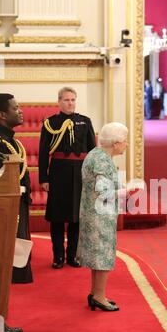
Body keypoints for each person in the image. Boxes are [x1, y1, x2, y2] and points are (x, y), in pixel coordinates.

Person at [39, 87, 96, 269]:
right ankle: (58, 256)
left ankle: (73, 255)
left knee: (76, 216)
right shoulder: (50, 123)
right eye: (66, 100)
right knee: (57, 216)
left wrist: (92, 176)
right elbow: (42, 153)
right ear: (59, 102)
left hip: (80, 172)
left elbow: (92, 151)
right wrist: (43, 178)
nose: (70, 103)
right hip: (58, 172)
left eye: (73, 100)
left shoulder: (84, 121)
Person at [77, 122, 128, 311]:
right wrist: (124, 192)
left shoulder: (96, 154)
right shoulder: (103, 160)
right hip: (100, 216)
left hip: (93, 213)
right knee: (103, 256)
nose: (126, 145)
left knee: (98, 257)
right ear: (115, 143)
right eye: (124, 141)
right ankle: (99, 296)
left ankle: (96, 293)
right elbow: (103, 192)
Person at [0, 93, 32, 332]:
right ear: (1, 115)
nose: (20, 112)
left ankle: (1, 324)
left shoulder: (10, 140)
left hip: (13, 207)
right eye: (15, 108)